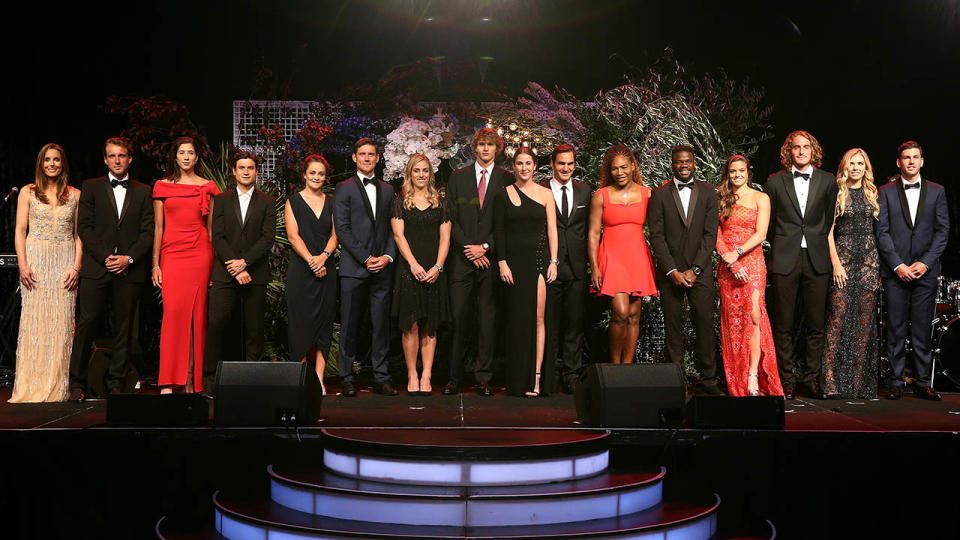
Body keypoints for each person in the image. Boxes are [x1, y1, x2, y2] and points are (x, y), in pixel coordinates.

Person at [68, 137, 154, 401]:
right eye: (112, 156)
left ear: (130, 159)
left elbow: (148, 231)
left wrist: (128, 259)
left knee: (125, 328)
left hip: (129, 269)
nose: (117, 160)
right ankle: (76, 382)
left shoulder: (143, 191)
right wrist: (107, 257)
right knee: (88, 322)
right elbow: (85, 227)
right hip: (97, 267)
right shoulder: (91, 187)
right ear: (105, 159)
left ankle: (116, 382)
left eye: (122, 156)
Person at [765, 130, 838, 400]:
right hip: (785, 257)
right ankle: (786, 380)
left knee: (816, 323)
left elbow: (827, 218)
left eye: (806, 147)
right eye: (796, 147)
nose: (801, 151)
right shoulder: (774, 182)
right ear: (789, 151)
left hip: (817, 258)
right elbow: (770, 224)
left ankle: (810, 378)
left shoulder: (828, 181)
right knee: (783, 323)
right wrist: (785, 243)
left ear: (813, 150)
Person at [876, 141, 949, 401]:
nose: (910, 162)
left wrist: (926, 262)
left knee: (921, 330)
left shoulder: (938, 191)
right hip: (896, 271)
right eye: (906, 158)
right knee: (895, 328)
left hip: (925, 272)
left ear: (922, 161)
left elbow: (943, 231)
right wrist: (898, 264)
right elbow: (881, 231)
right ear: (899, 162)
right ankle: (895, 382)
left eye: (915, 157)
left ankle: (922, 383)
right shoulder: (884, 192)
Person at [444, 128, 513, 396]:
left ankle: (483, 377)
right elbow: (451, 216)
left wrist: (485, 247)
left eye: (491, 145)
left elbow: (508, 221)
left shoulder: (507, 178)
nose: (486, 149)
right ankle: (454, 377)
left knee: (487, 321)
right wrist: (468, 248)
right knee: (458, 320)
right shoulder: (458, 177)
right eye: (481, 144)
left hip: (492, 261)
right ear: (474, 148)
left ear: (498, 148)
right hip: (461, 260)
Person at [10, 143, 81, 403]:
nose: (52, 164)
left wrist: (76, 266)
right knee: (35, 323)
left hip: (64, 261)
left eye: (56, 160)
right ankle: (32, 385)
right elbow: (20, 230)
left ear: (63, 164)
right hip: (36, 261)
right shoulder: (28, 192)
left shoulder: (75, 195)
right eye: (47, 160)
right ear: (41, 163)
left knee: (61, 324)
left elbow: (78, 235)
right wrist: (23, 265)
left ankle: (57, 387)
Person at [648, 145, 720, 393]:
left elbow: (711, 234)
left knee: (704, 324)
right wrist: (672, 270)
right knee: (673, 327)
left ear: (694, 162)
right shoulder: (659, 194)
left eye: (688, 161)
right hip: (671, 274)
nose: (684, 165)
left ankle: (709, 380)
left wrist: (696, 269)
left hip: (700, 272)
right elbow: (656, 236)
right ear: (672, 164)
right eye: (679, 162)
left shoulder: (710, 192)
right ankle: (675, 382)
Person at [151, 136, 220, 394]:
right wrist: (155, 265)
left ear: (197, 157)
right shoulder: (161, 187)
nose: (186, 157)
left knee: (197, 318)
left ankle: (192, 382)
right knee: (172, 316)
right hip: (171, 253)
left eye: (191, 152)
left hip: (200, 253)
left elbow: (211, 231)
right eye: (182, 152)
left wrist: (213, 266)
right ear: (176, 157)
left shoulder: (208, 187)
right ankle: (168, 382)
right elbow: (158, 228)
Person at [203, 151, 276, 390]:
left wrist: (244, 262)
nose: (246, 171)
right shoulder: (222, 200)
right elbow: (218, 236)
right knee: (217, 323)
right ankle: (212, 378)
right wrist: (235, 266)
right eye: (241, 168)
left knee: (254, 328)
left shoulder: (267, 201)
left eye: (250, 168)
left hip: (255, 273)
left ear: (256, 172)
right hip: (225, 272)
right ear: (233, 172)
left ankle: (251, 380)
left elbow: (267, 239)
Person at [333, 138, 398, 397]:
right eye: (363, 154)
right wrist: (365, 258)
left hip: (382, 269)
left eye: (372, 154)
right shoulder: (343, 188)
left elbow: (394, 228)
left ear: (378, 158)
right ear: (354, 157)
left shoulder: (389, 189)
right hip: (354, 268)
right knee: (349, 325)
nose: (367, 158)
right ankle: (347, 377)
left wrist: (387, 257)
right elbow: (343, 228)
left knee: (381, 326)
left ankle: (381, 377)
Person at [715, 155, 782, 397]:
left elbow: (762, 233)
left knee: (754, 316)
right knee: (733, 322)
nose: (737, 175)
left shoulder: (760, 197)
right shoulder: (720, 198)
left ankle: (753, 374)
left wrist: (738, 253)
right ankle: (736, 375)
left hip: (752, 263)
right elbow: (714, 233)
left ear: (748, 172)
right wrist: (728, 259)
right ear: (728, 173)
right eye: (732, 171)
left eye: (741, 171)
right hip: (728, 267)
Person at [493, 147, 558, 396]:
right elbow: (499, 231)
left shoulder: (545, 194)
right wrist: (502, 262)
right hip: (513, 266)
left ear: (535, 165)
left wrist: (554, 261)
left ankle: (537, 379)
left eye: (528, 163)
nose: (523, 168)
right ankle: (519, 380)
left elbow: (552, 230)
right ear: (514, 166)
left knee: (539, 319)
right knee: (517, 322)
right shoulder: (503, 195)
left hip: (539, 262)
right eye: (519, 163)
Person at [587, 144, 657, 364]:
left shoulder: (647, 194)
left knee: (635, 316)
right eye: (615, 168)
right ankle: (614, 367)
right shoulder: (601, 196)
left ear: (633, 166)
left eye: (624, 167)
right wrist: (595, 267)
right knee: (621, 313)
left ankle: (628, 368)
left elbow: (658, 228)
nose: (620, 172)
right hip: (612, 257)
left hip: (637, 257)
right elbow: (592, 234)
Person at [821, 149, 881, 399]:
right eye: (851, 164)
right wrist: (835, 264)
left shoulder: (873, 193)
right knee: (837, 320)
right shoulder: (836, 193)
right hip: (843, 262)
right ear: (845, 167)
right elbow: (827, 232)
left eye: (860, 164)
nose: (856, 168)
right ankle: (829, 380)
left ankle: (858, 382)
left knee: (864, 325)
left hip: (868, 264)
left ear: (866, 168)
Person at [391, 154, 452, 396]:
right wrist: (414, 265)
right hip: (409, 270)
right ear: (409, 173)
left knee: (430, 325)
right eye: (416, 170)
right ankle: (412, 374)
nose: (421, 175)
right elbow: (398, 236)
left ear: (430, 174)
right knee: (411, 324)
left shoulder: (441, 202)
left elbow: (446, 237)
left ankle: (426, 374)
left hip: (434, 270)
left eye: (425, 171)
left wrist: (437, 267)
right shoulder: (400, 201)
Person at [540, 144, 591, 394]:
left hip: (577, 267)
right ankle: (549, 372)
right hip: (550, 267)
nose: (566, 168)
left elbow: (591, 231)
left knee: (574, 323)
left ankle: (572, 373)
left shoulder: (585, 191)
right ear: (552, 164)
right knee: (549, 322)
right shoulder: (540, 190)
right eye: (561, 163)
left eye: (570, 164)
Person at [286, 155, 339, 396]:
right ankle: (301, 376)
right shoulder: (293, 202)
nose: (316, 177)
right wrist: (311, 260)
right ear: (304, 175)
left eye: (320, 174)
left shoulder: (332, 202)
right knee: (301, 324)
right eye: (312, 173)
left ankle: (318, 378)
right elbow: (293, 236)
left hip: (326, 269)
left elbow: (336, 235)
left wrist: (324, 257)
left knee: (323, 325)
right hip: (301, 270)